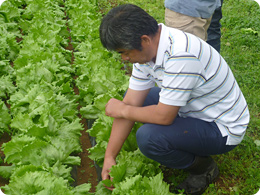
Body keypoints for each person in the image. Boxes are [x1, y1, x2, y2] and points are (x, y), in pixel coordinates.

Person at [99, 4, 250, 194]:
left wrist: (122, 110)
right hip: (194, 107)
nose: (124, 58)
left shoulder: (181, 54)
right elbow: (130, 102)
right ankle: (188, 142)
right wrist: (109, 157)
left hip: (222, 127)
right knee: (137, 101)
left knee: (148, 138)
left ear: (144, 40)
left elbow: (163, 117)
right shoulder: (148, 51)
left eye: (124, 52)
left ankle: (203, 169)